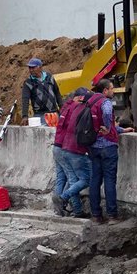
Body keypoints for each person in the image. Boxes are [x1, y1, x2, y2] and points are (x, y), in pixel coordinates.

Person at [87, 78, 133, 223]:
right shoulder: (105, 102)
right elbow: (107, 114)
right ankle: (112, 215)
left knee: (95, 180)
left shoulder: (90, 101)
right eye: (112, 88)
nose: (113, 91)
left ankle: (96, 215)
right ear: (105, 90)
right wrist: (108, 128)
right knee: (109, 180)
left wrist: (120, 129)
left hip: (93, 146)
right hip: (107, 146)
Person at [51, 88, 92, 218]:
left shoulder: (66, 106)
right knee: (73, 179)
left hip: (57, 147)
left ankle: (59, 209)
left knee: (61, 178)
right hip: (66, 148)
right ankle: (75, 208)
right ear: (79, 98)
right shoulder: (77, 108)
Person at [21, 57, 62, 124]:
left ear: (40, 67)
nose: (31, 70)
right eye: (29, 68)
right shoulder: (28, 83)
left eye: (33, 68)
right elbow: (25, 100)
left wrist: (62, 108)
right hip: (40, 115)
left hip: (54, 113)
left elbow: (57, 93)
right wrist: (25, 116)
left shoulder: (49, 77)